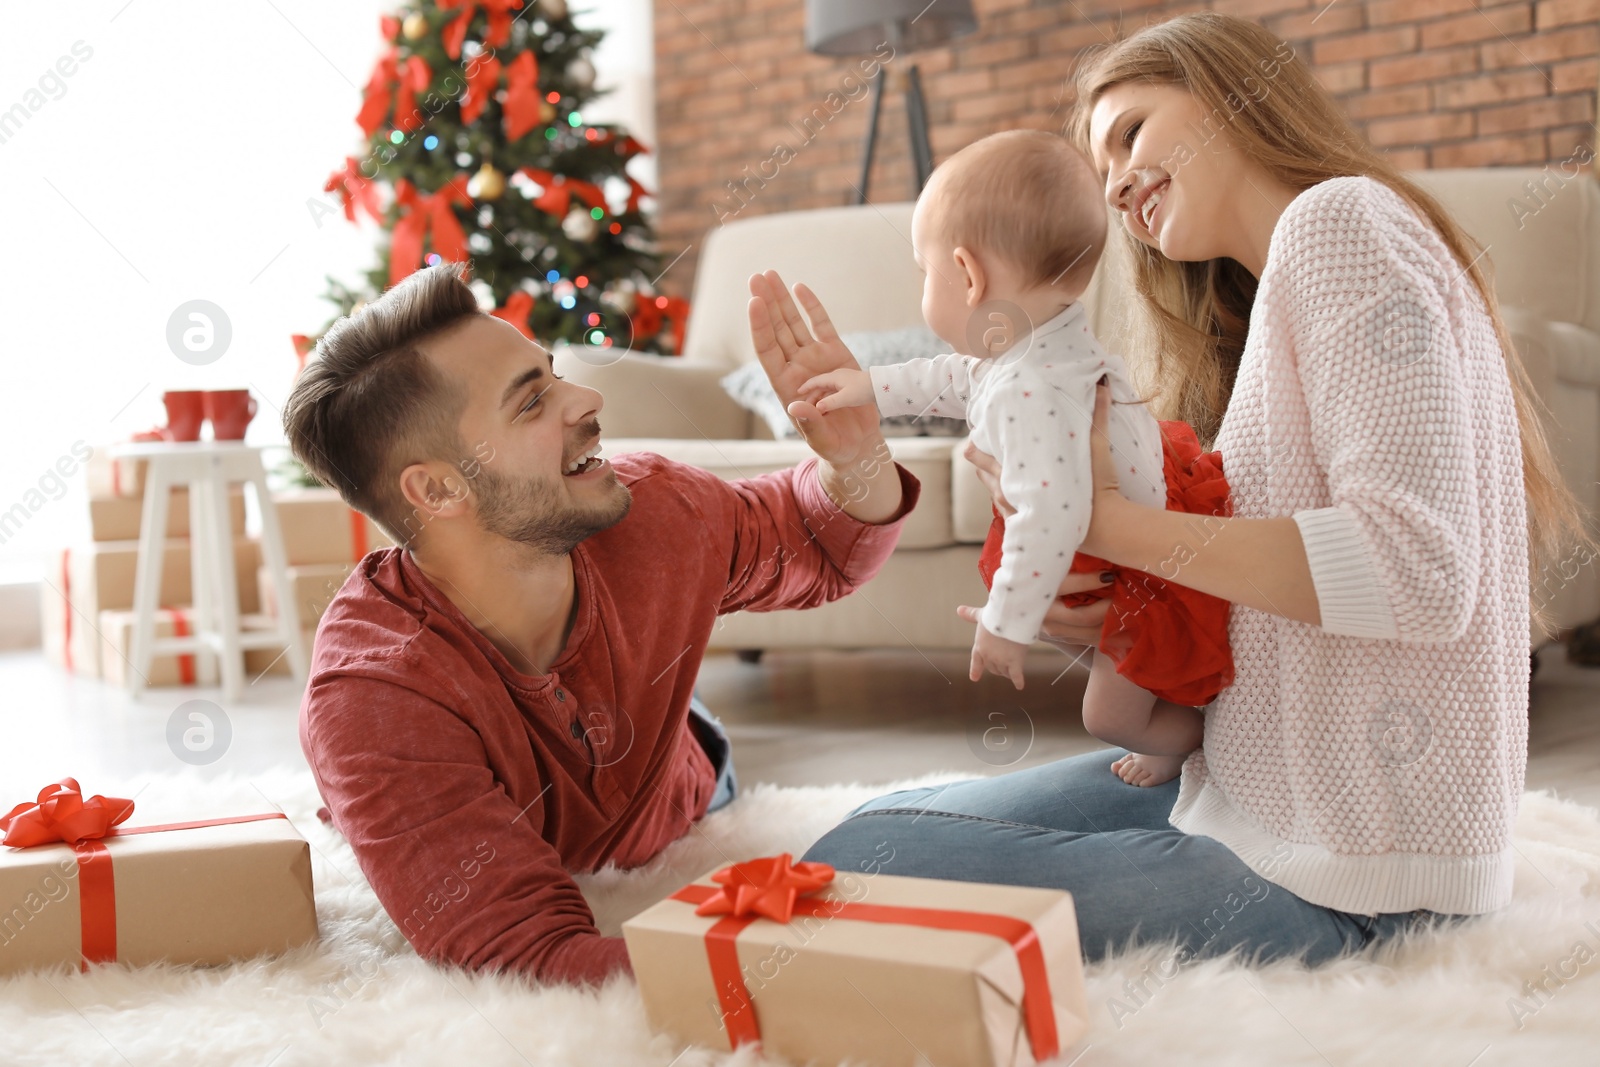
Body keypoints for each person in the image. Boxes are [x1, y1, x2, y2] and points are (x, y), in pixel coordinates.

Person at [799, 12, 1594, 967]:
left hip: (1356, 872)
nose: (1121, 182)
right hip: (1255, 790)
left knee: (862, 859)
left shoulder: (1340, 222)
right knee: (879, 825)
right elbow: (1270, 607)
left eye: (1132, 131)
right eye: (1102, 176)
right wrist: (1097, 615)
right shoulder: (1267, 307)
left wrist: (1107, 522)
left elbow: (1417, 573)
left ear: (1232, 92)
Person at [283, 260, 920, 986]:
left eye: (553, 374)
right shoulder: (373, 699)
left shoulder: (655, 508)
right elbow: (531, 961)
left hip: (683, 766)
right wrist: (830, 976)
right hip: (467, 756)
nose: (587, 398)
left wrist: (856, 453)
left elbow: (822, 541)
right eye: (531, 404)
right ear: (435, 488)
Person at [795, 129, 1234, 789]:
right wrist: (868, 388)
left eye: (927, 271)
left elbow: (1049, 520)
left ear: (968, 275)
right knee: (1079, 636)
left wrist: (1005, 624)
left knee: (1108, 716)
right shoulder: (1043, 340)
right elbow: (953, 377)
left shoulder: (1034, 392)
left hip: (1142, 574)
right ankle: (1162, 695)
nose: (926, 285)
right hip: (1135, 539)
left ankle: (1203, 742)